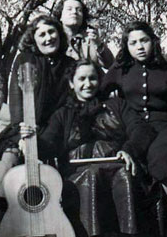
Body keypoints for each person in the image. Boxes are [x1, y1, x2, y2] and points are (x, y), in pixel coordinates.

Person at [20, 60, 157, 237]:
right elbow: (48, 145)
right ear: (71, 83)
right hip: (79, 174)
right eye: (81, 79)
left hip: (117, 167)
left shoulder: (117, 105)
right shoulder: (62, 114)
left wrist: (129, 149)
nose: (87, 84)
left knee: (124, 175)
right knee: (91, 176)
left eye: (92, 78)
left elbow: (141, 129)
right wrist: (31, 140)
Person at [101, 21, 167, 237]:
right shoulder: (120, 70)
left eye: (144, 40)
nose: (140, 47)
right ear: (126, 47)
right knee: (155, 156)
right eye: (133, 43)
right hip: (135, 129)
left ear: (153, 42)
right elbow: (98, 93)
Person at [0, 15, 75, 237]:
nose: (48, 38)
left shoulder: (70, 65)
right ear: (34, 39)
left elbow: (67, 105)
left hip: (52, 129)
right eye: (42, 34)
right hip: (16, 125)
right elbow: (17, 98)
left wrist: (44, 135)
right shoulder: (25, 60)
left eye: (52, 32)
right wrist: (22, 131)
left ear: (59, 33)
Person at [53, 0, 114, 69]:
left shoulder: (91, 38)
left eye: (79, 10)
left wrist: (98, 44)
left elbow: (110, 64)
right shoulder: (54, 38)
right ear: (60, 16)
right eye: (69, 9)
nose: (74, 12)